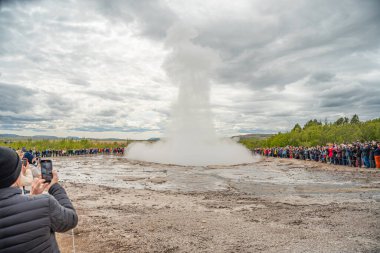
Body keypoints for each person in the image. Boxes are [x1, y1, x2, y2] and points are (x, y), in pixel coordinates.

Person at [0, 146, 78, 252]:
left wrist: (32, 198)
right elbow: (71, 220)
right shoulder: (45, 203)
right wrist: (54, 186)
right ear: (16, 174)